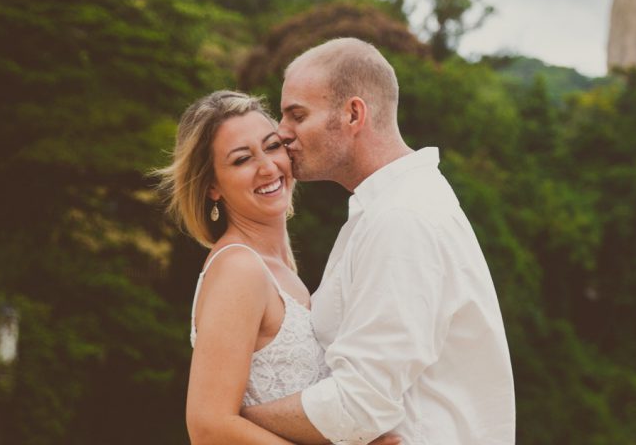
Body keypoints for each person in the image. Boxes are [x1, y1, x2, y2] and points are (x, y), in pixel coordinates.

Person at [238, 38, 516, 444]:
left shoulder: (401, 219)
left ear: (353, 114)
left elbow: (359, 405)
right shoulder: (390, 207)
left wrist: (233, 420)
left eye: (297, 115)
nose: (282, 133)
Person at [156, 91, 401, 445]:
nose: (268, 167)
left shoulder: (278, 267)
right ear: (212, 187)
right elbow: (208, 427)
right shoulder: (240, 269)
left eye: (272, 146)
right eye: (242, 160)